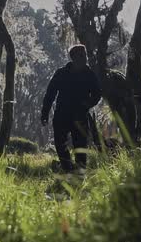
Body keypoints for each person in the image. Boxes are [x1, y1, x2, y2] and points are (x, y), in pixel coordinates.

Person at [41, 44, 102, 172]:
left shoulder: (89, 74)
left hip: (80, 116)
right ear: (73, 57)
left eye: (84, 55)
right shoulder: (61, 73)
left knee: (80, 147)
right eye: (81, 55)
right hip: (61, 115)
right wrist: (44, 113)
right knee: (60, 144)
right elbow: (50, 94)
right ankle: (67, 169)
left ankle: (79, 175)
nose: (84, 58)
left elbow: (97, 93)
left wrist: (88, 104)